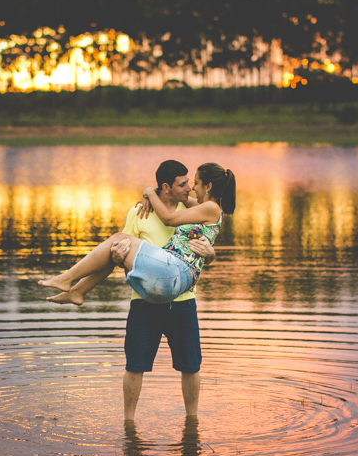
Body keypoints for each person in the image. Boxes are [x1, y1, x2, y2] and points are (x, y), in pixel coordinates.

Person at [39, 160, 237, 419]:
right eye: (183, 183)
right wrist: (147, 196)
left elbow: (181, 226)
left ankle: (69, 280)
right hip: (146, 298)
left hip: (180, 295)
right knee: (135, 364)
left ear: (207, 186)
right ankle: (129, 422)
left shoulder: (196, 208)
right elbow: (115, 257)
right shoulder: (142, 212)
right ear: (166, 187)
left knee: (190, 365)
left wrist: (149, 191)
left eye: (193, 183)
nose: (190, 188)